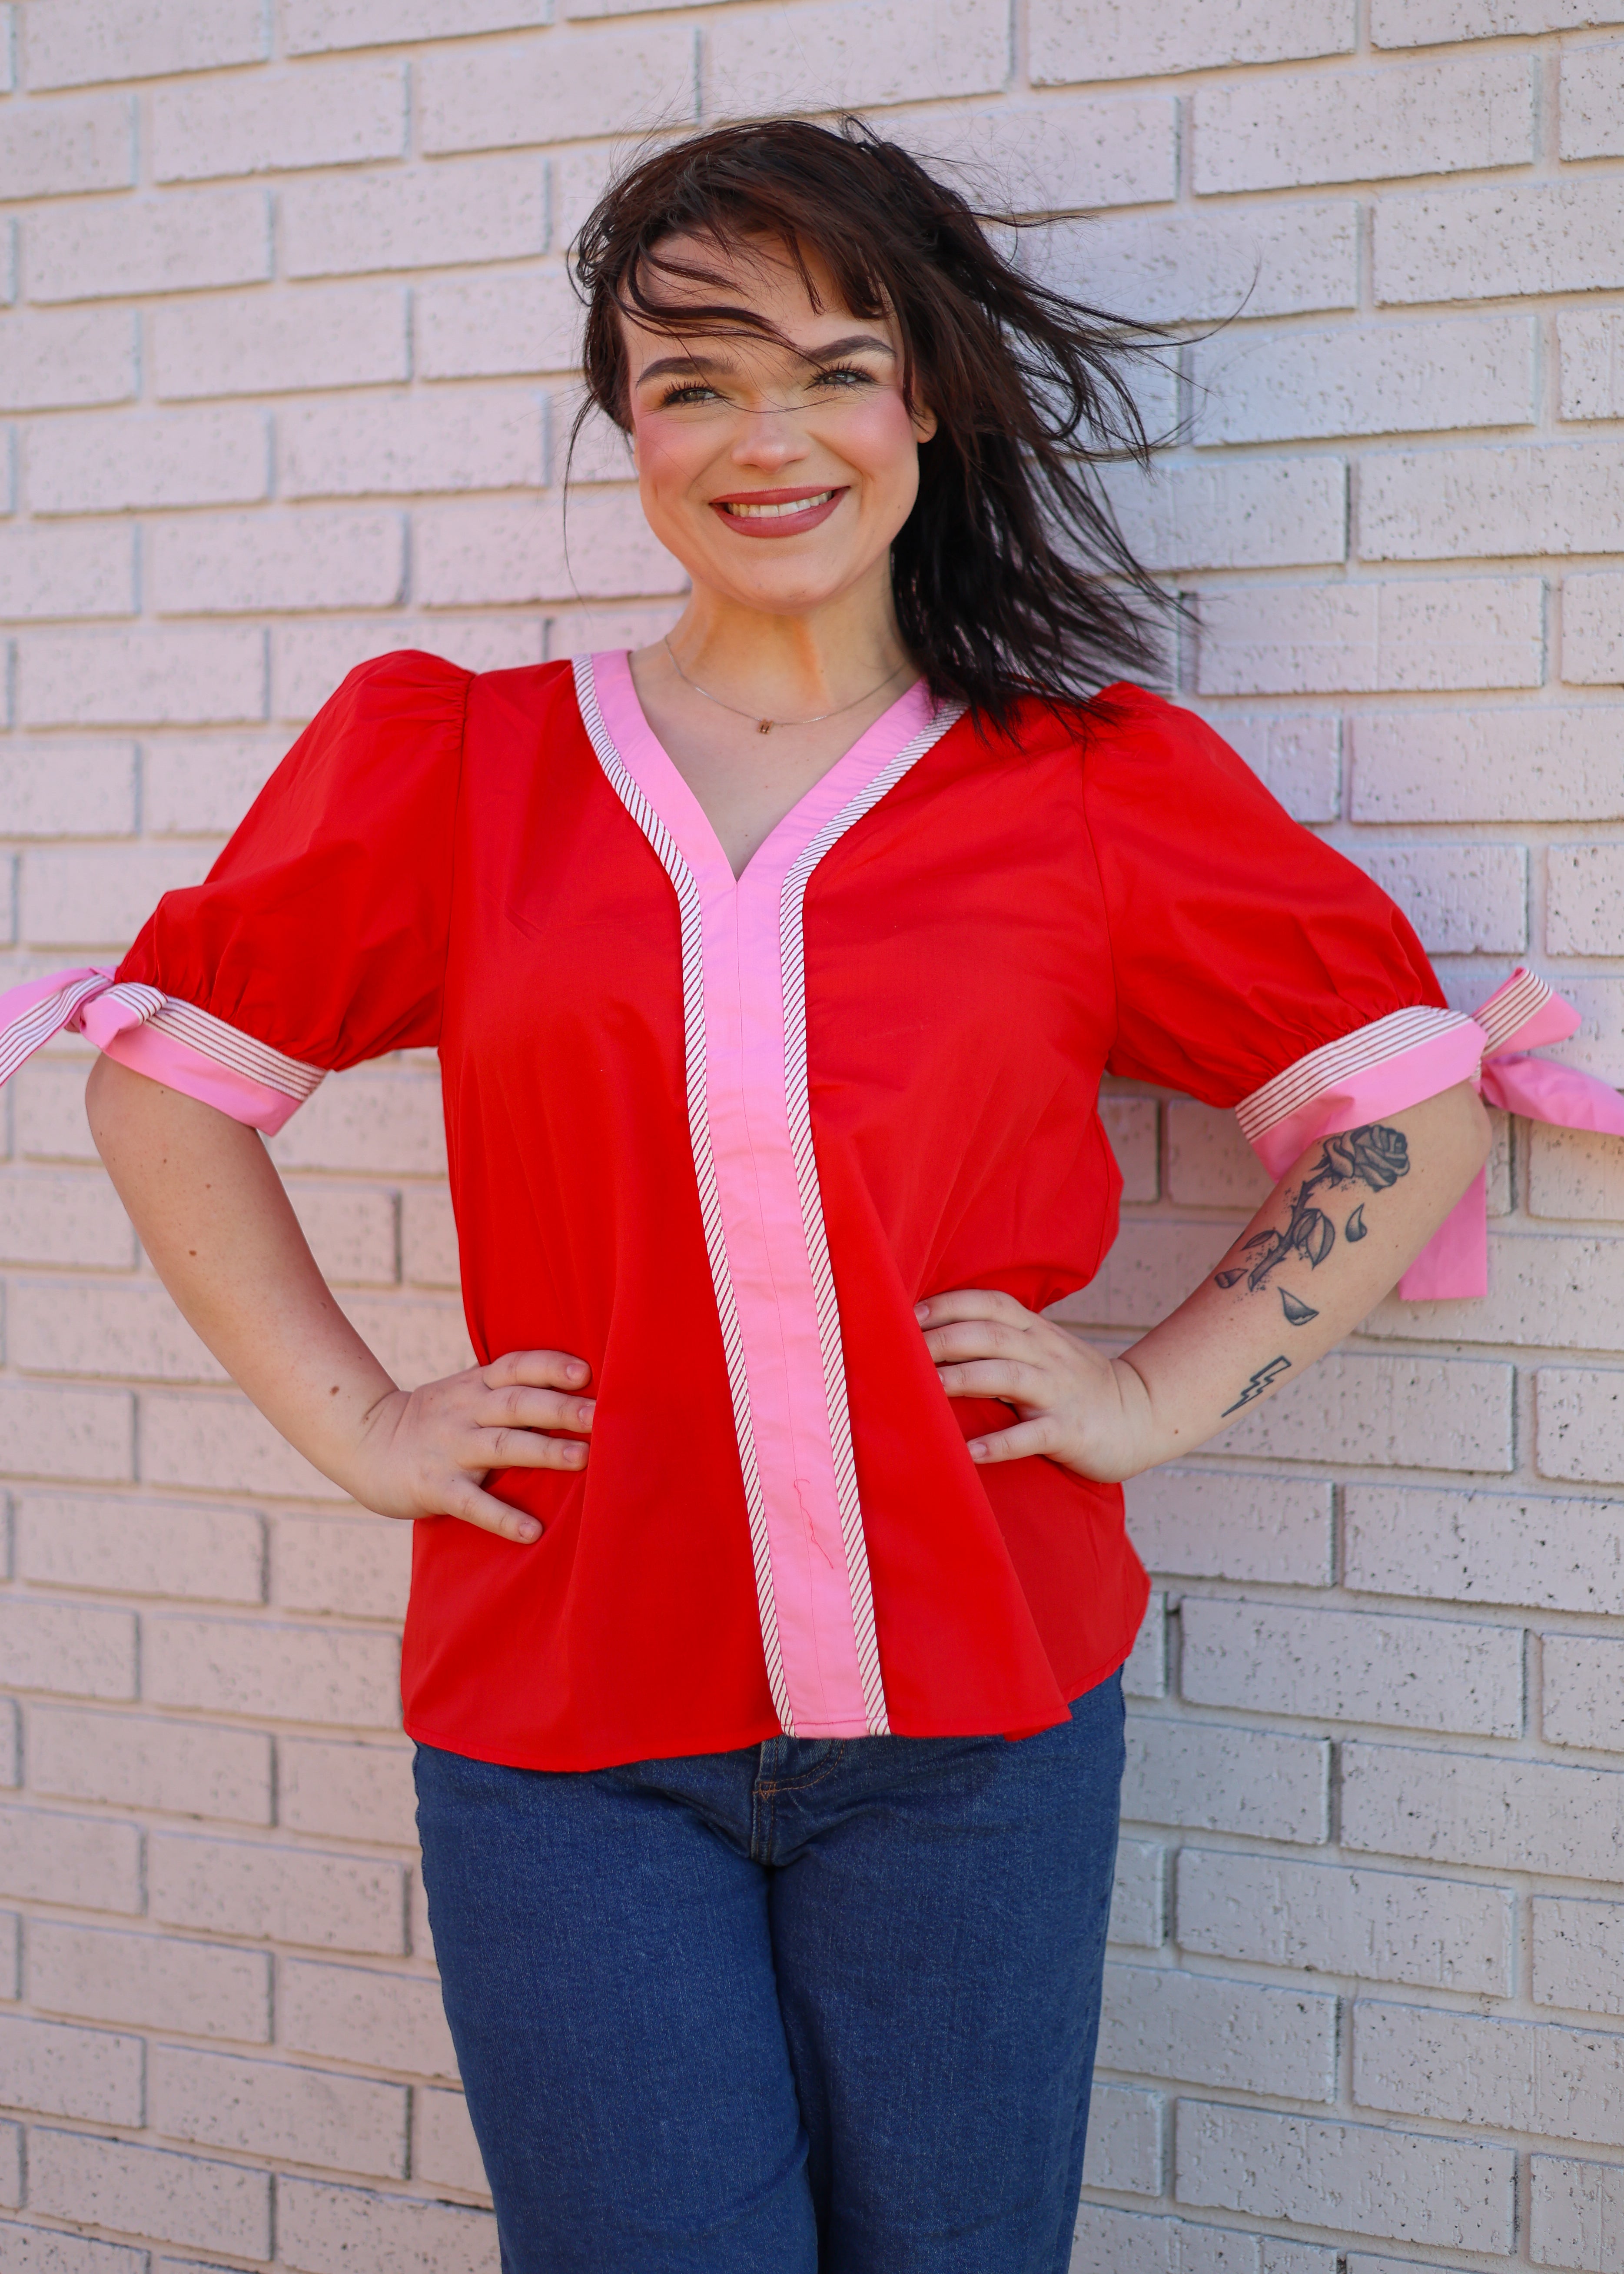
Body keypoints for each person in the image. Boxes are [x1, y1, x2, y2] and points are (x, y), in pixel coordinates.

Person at [7, 116, 1512, 2273]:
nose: (760, 435)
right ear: (627, 422)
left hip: (977, 1733)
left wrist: (1153, 1401)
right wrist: (360, 1427)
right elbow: (170, 1091)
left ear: (925, 400)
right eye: (690, 378)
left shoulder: (1081, 792)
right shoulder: (465, 767)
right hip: (564, 1739)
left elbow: (1399, 1109)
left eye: (828, 365)